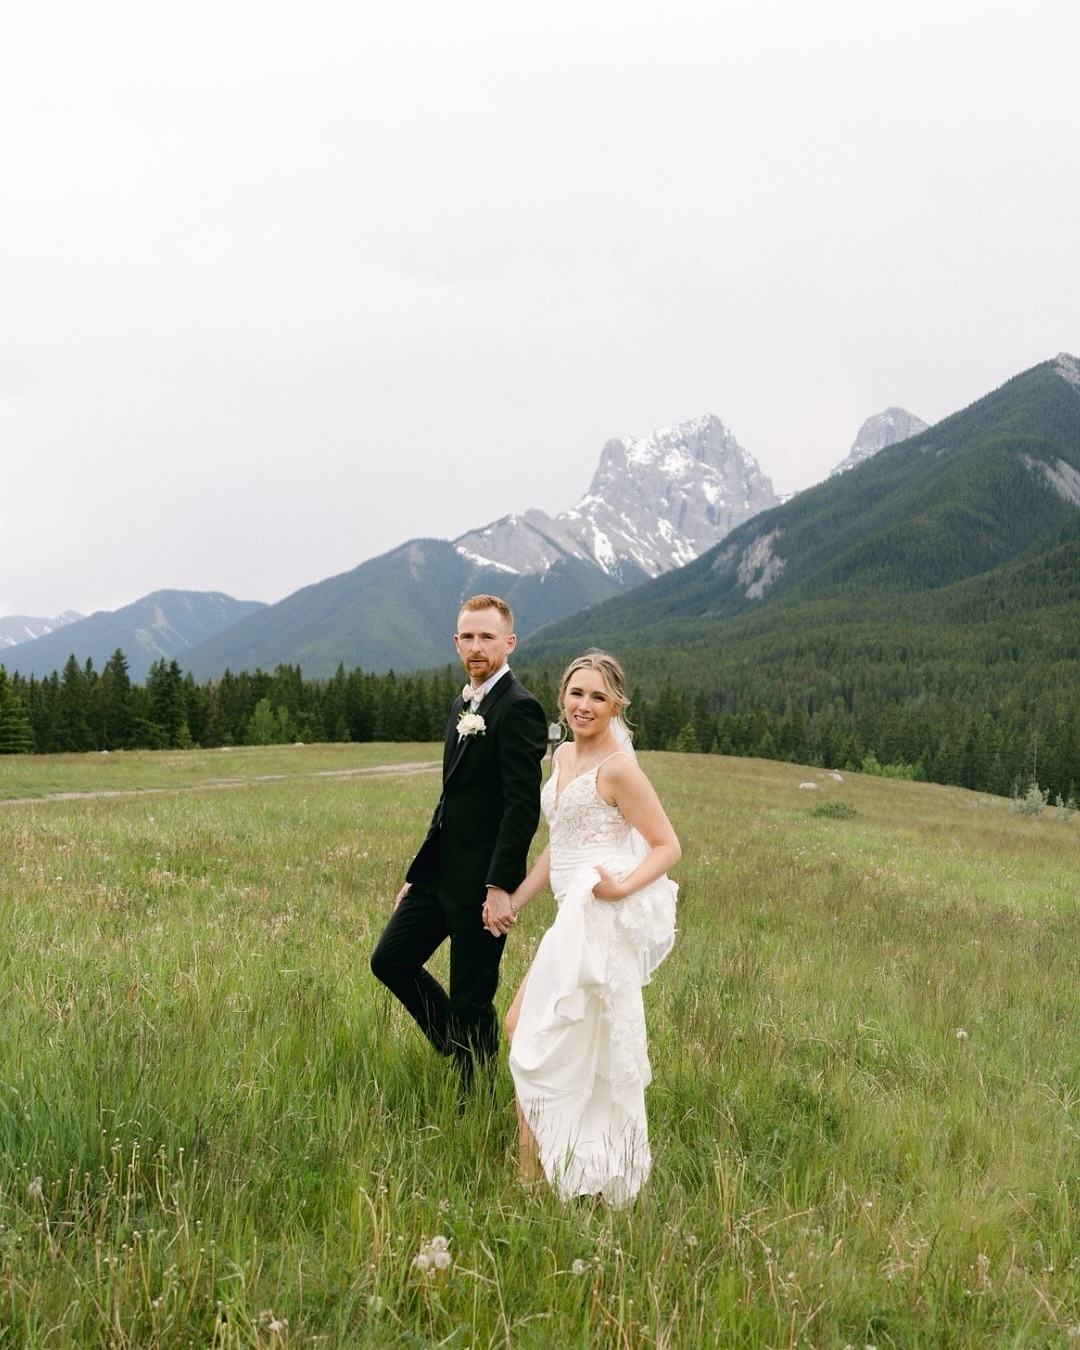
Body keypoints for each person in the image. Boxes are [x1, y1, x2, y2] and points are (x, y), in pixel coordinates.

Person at [504, 651, 680, 1205]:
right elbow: (562, 843)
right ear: (562, 697)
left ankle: (534, 1168)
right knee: (539, 1034)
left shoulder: (619, 767)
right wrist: (517, 897)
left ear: (616, 706)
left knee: (529, 1030)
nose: (585, 705)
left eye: (598, 697)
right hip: (566, 914)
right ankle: (542, 1159)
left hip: (597, 916)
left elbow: (667, 846)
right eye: (577, 694)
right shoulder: (560, 758)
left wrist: (623, 888)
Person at [370, 595, 548, 1096]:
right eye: (467, 637)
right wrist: (416, 873)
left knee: (472, 998)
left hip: (481, 884)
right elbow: (449, 798)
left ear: (508, 643)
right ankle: (466, 1049)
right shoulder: (461, 704)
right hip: (439, 875)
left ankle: (476, 1092)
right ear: (455, 642)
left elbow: (521, 808)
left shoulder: (520, 708)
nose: (476, 646)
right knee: (390, 959)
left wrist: (499, 886)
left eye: (487, 637)